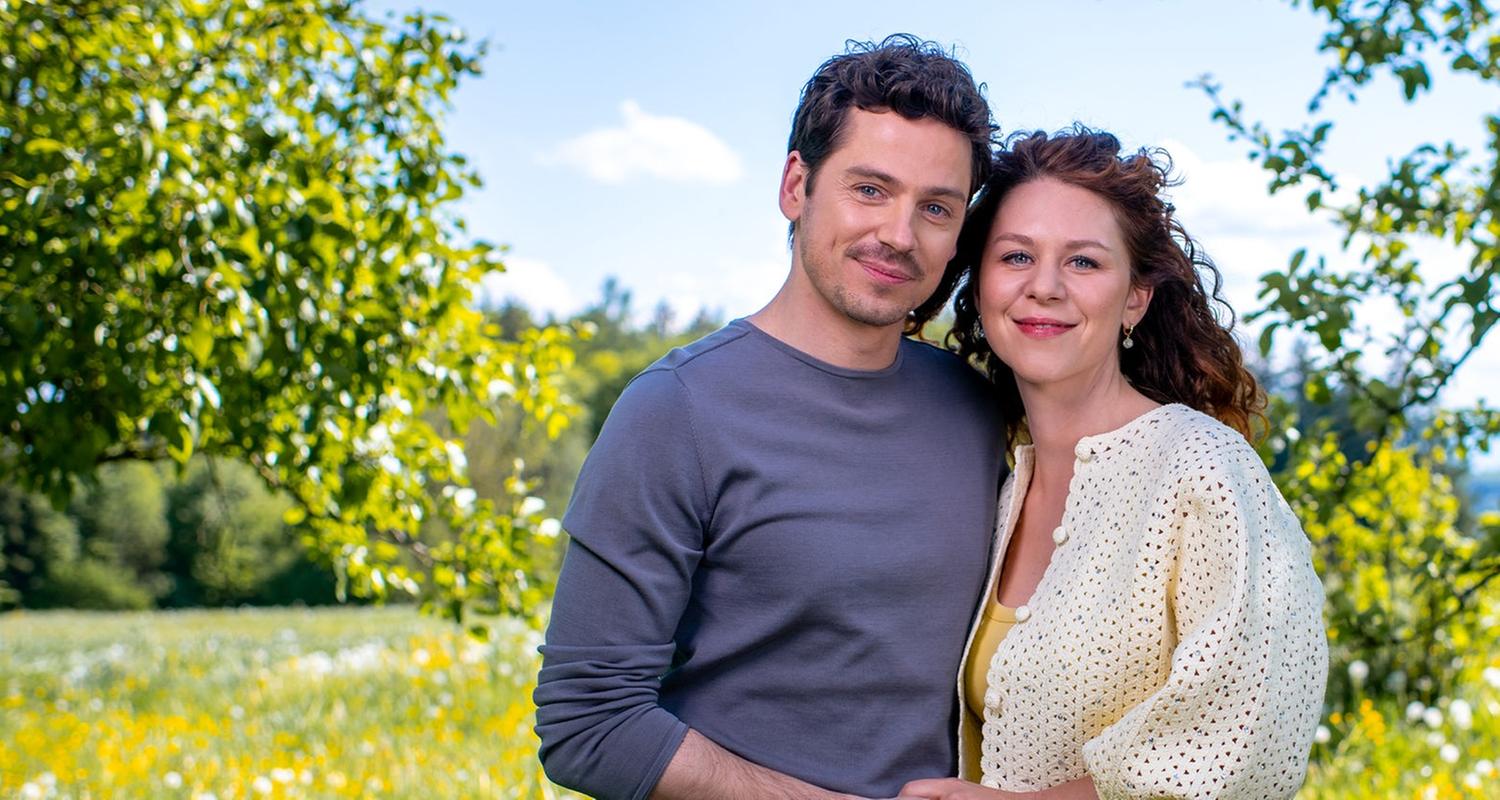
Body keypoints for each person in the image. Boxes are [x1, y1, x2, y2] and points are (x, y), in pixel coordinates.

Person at [534, 35, 1006, 800]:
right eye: (870, 189)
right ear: (796, 185)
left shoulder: (978, 410)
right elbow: (588, 722)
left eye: (935, 207)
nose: (899, 234)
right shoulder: (675, 409)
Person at [900, 129, 1328, 800]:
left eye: (1084, 262)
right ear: (980, 285)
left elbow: (1249, 748)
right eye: (1016, 256)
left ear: (1135, 297)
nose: (1044, 287)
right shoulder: (1002, 485)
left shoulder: (1204, 470)